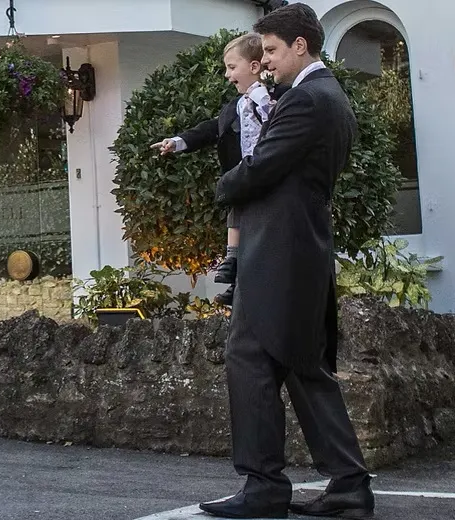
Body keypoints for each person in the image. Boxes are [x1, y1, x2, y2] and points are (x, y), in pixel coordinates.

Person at [197, 4, 375, 519]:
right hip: (301, 251)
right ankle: (348, 485)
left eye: (272, 50)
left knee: (248, 360)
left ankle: (263, 487)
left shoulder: (307, 100)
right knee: (304, 368)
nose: (266, 61)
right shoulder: (329, 97)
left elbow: (258, 169)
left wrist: (223, 183)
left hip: (278, 253)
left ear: (301, 45)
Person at [151, 32, 276, 307]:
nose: (227, 75)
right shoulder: (235, 106)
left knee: (259, 232)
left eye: (232, 68)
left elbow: (277, 120)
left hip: (270, 176)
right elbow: (210, 130)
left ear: (254, 67)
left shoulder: (271, 96)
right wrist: (177, 141)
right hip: (243, 176)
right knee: (236, 213)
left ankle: (243, 274)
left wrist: (262, 93)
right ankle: (234, 271)